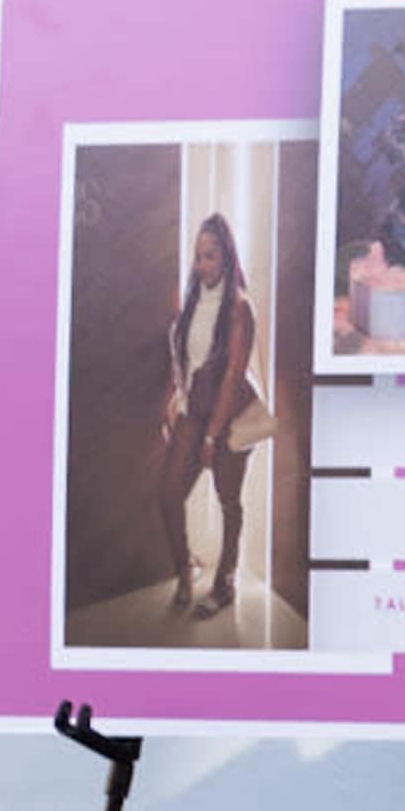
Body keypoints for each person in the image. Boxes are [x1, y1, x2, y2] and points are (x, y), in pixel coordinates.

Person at [155, 212, 259, 621]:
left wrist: (212, 437)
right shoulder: (193, 296)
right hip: (193, 411)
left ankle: (225, 584)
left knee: (229, 502)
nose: (202, 265)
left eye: (211, 256)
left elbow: (233, 375)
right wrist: (172, 398)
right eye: (198, 257)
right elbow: (183, 355)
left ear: (227, 257)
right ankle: (185, 569)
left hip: (229, 418)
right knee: (167, 493)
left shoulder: (238, 308)